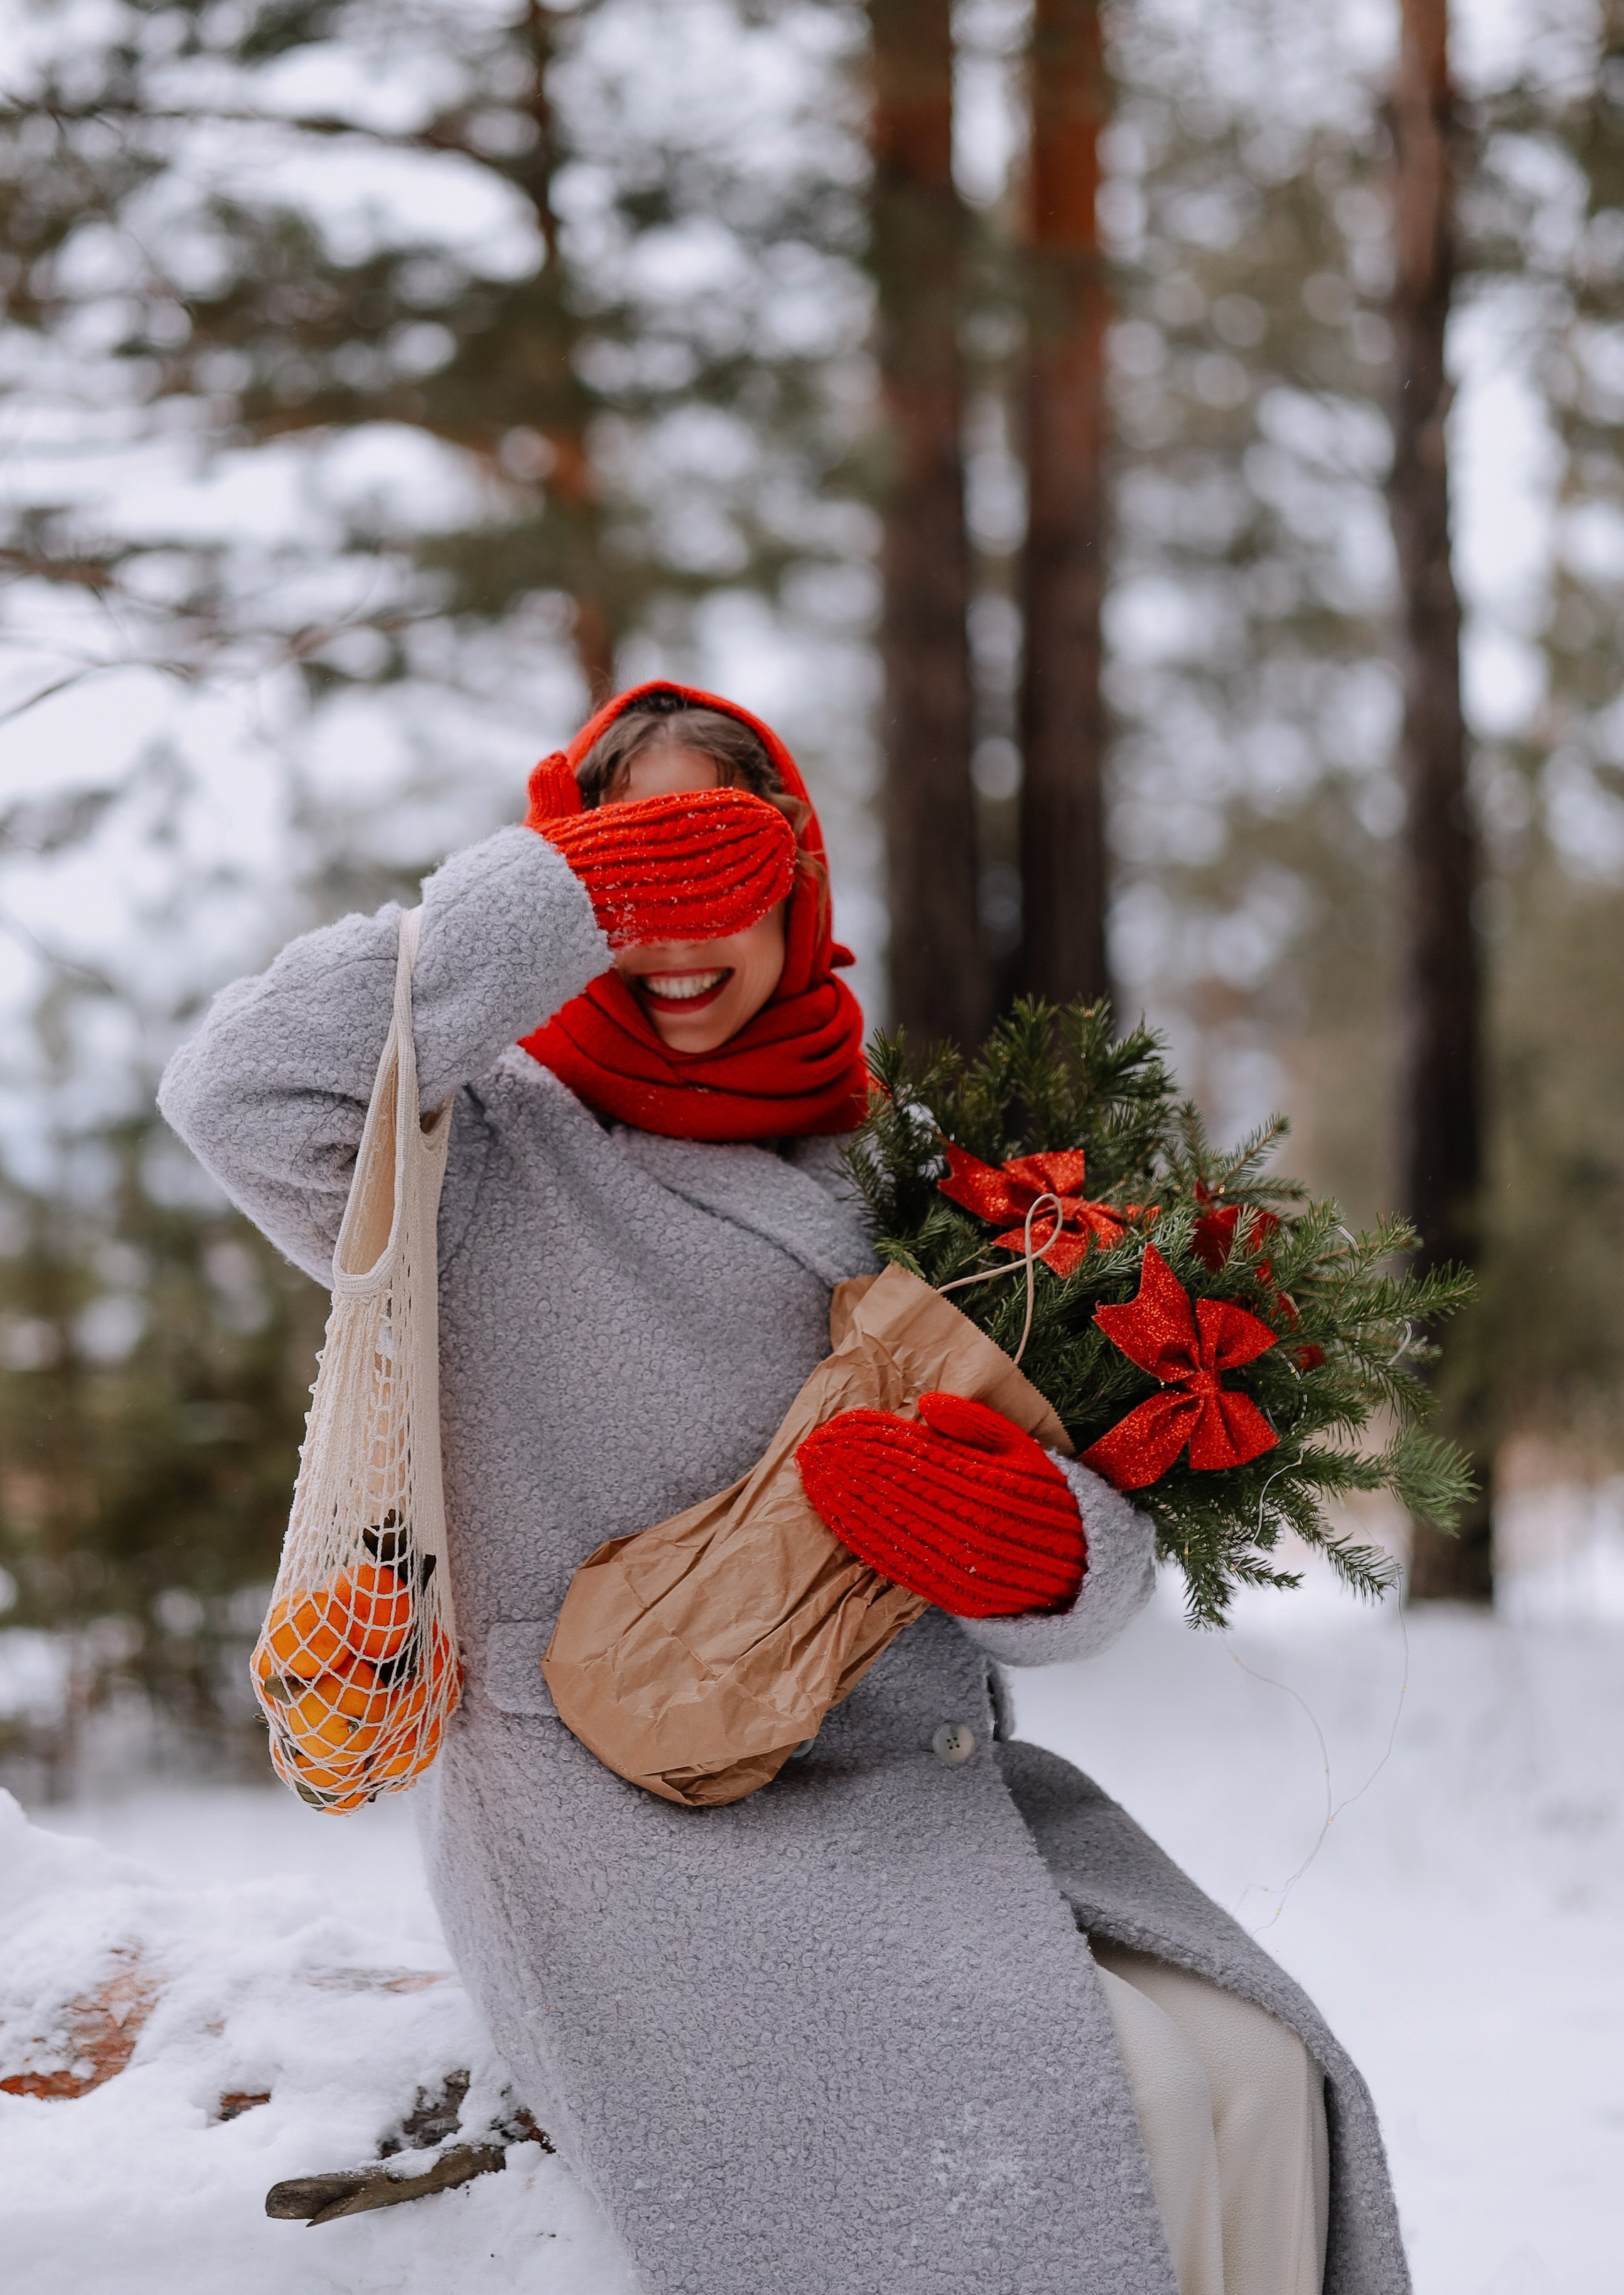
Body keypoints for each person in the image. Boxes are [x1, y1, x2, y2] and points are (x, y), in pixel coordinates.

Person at [159, 680, 1409, 2295]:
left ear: (798, 881)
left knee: (1261, 2075)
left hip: (909, 1776)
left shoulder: (903, 1164)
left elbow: (1092, 1525)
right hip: (633, 1834)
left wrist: (1035, 1548)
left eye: (714, 877)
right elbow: (234, 1084)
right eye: (633, 878)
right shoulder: (474, 1152)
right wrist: (553, 898)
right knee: (1131, 2116)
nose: (674, 939)